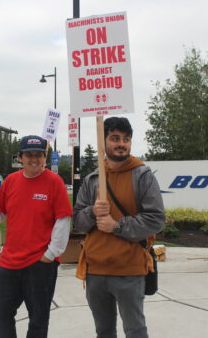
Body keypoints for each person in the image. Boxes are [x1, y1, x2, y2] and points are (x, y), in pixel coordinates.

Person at [0, 135, 72, 338]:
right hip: (9, 263)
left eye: (39, 154)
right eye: (29, 154)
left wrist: (50, 255)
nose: (34, 159)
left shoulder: (54, 182)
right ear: (20, 157)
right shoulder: (11, 181)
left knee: (38, 320)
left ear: (44, 157)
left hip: (40, 264)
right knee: (0, 316)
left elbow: (63, 221)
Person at [73, 117, 166, 338]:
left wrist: (117, 226)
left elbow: (156, 219)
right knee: (103, 331)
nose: (121, 144)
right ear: (103, 142)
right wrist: (92, 212)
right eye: (115, 138)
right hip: (95, 271)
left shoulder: (142, 176)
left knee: (135, 330)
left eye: (126, 139)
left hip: (129, 270)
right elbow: (77, 222)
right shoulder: (92, 179)